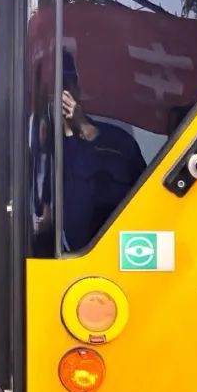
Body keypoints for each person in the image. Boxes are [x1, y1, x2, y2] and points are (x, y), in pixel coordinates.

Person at [59, 50, 147, 251]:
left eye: (66, 85)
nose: (60, 96)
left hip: (112, 253)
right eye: (51, 88)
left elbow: (142, 200)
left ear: (77, 88)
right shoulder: (30, 149)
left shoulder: (117, 142)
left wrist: (85, 129)